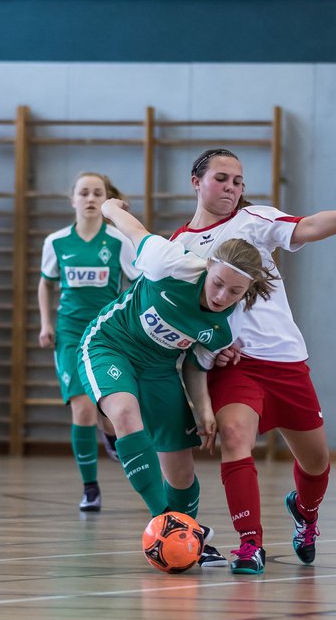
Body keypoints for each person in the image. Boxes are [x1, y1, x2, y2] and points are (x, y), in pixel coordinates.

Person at [170, 148, 336, 574]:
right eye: (222, 178)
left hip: (286, 362)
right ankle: (250, 544)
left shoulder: (254, 221)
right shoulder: (178, 247)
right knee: (233, 437)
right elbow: (176, 315)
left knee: (316, 462)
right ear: (196, 181)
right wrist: (202, 347)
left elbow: (308, 226)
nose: (231, 188)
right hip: (235, 366)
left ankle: (305, 512)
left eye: (238, 182)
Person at [82, 197, 278, 568]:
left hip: (160, 368)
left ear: (246, 292)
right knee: (124, 411)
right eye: (218, 283)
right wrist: (109, 207)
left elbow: (196, 364)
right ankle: (170, 525)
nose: (222, 296)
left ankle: (188, 532)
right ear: (208, 267)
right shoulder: (169, 262)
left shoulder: (224, 327)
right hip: (111, 345)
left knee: (181, 468)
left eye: (234, 292)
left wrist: (203, 409)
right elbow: (134, 230)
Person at [38, 172, 139, 513]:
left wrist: (132, 325)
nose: (91, 198)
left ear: (106, 198)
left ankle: (111, 437)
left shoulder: (117, 241)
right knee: (82, 409)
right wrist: (46, 323)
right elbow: (45, 283)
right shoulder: (56, 242)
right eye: (84, 192)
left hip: (105, 335)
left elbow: (138, 283)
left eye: (98, 193)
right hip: (69, 334)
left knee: (106, 412)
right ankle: (90, 488)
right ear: (73, 200)